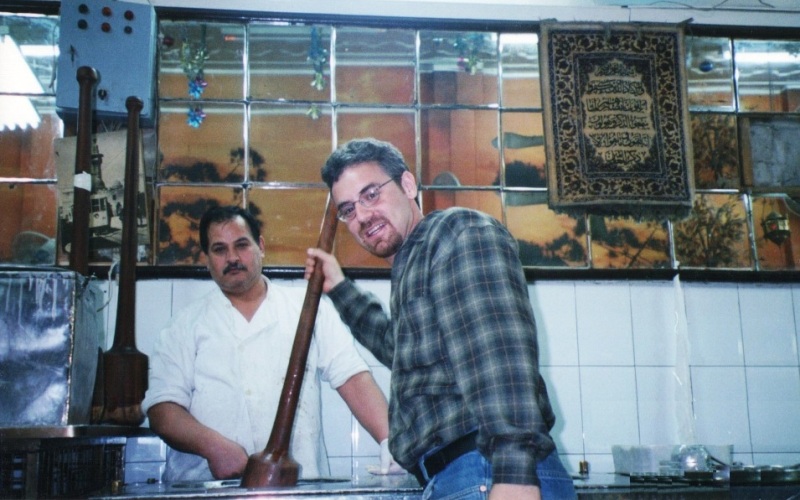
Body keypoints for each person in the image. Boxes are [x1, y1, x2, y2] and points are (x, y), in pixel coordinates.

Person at [305, 138, 576, 499]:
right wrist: (338, 286)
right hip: (462, 475)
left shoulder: (457, 233)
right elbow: (399, 348)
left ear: (407, 185)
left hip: (488, 471)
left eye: (371, 194)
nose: (362, 216)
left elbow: (499, 361)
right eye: (348, 209)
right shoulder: (415, 264)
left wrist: (514, 476)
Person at [142, 205, 400, 482]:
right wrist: (214, 447)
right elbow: (162, 410)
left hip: (296, 488)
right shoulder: (183, 326)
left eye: (242, 245)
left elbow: (351, 377)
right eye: (219, 250)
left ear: (260, 246)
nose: (232, 258)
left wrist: (391, 443)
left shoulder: (307, 309)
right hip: (205, 488)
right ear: (206, 258)